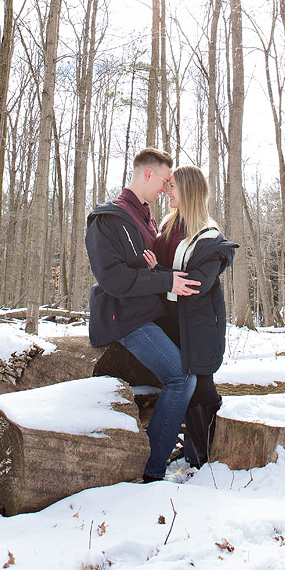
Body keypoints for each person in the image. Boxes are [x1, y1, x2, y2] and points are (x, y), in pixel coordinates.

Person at [85, 147, 201, 482]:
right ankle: (149, 469)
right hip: (125, 319)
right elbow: (114, 280)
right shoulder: (108, 219)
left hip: (151, 315)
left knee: (197, 367)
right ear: (147, 173)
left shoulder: (148, 218)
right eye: (165, 180)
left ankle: (195, 454)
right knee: (181, 377)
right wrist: (164, 278)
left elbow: (153, 269)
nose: (167, 189)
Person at [145, 165, 237, 466]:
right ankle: (185, 449)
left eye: (172, 187)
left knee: (201, 385)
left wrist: (158, 273)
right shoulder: (168, 226)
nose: (166, 191)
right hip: (168, 321)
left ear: (189, 192)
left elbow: (197, 285)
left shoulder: (209, 238)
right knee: (177, 383)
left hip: (198, 325)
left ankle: (205, 457)